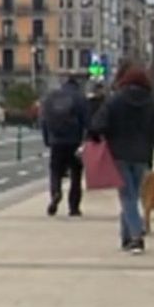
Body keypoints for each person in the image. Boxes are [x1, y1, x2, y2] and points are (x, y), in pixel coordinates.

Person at [90, 66, 154, 254]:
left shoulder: (114, 100)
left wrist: (96, 138)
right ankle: (126, 237)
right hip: (142, 155)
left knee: (127, 196)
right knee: (132, 195)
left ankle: (136, 237)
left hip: (118, 154)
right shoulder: (152, 103)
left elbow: (98, 125)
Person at [41, 78, 89, 217]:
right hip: (74, 141)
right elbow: (87, 121)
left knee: (55, 170)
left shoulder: (51, 97)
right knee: (76, 174)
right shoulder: (80, 98)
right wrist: (86, 139)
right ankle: (74, 207)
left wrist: (47, 139)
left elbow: (44, 120)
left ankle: (55, 192)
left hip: (56, 140)